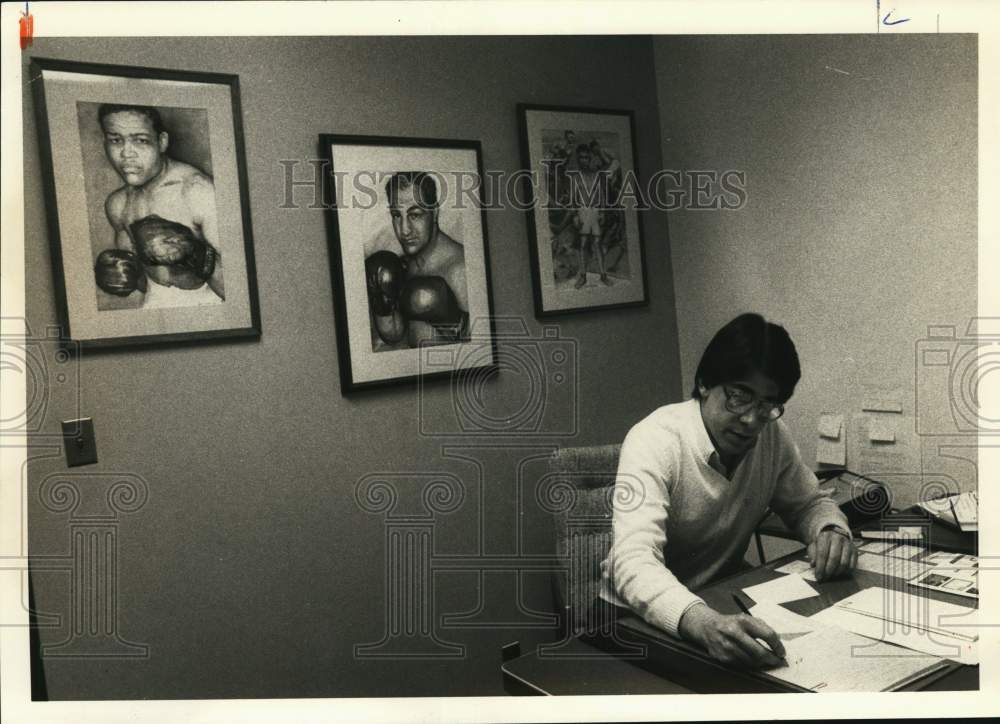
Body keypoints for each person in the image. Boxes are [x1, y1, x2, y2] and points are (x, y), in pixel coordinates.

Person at [600, 313, 857, 669]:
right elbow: (632, 562)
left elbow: (808, 503)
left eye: (767, 405)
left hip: (720, 601)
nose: (752, 419)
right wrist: (701, 621)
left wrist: (829, 530)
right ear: (705, 383)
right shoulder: (655, 440)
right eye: (739, 397)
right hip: (640, 622)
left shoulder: (771, 434)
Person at [93, 104, 224, 308]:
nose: (127, 153)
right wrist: (124, 275)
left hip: (211, 303)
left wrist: (195, 254)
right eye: (116, 140)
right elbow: (149, 282)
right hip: (155, 302)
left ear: (161, 142)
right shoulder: (118, 204)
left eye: (141, 140)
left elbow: (241, 294)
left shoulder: (197, 191)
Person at [364, 171, 469, 349]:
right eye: (397, 215)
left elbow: (486, 354)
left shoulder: (460, 270)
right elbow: (395, 335)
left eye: (415, 215)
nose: (404, 230)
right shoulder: (401, 265)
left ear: (434, 213)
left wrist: (456, 323)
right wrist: (382, 306)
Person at [569, 144, 614, 288]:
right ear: (578, 159)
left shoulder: (596, 175)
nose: (584, 160)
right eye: (581, 157)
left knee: (597, 244)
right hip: (582, 211)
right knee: (582, 244)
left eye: (586, 157)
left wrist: (603, 212)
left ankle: (603, 275)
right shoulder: (575, 177)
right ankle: (583, 276)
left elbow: (601, 195)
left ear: (590, 158)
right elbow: (572, 199)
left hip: (595, 211)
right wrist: (575, 216)